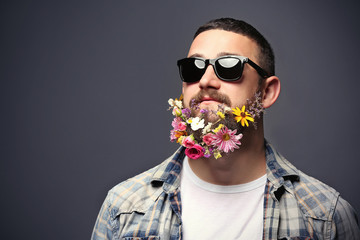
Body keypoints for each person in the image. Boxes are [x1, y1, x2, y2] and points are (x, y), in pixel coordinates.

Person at [91, 18, 360, 239]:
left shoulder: (326, 218)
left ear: (267, 92)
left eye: (229, 67)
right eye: (193, 68)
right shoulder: (123, 208)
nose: (206, 80)